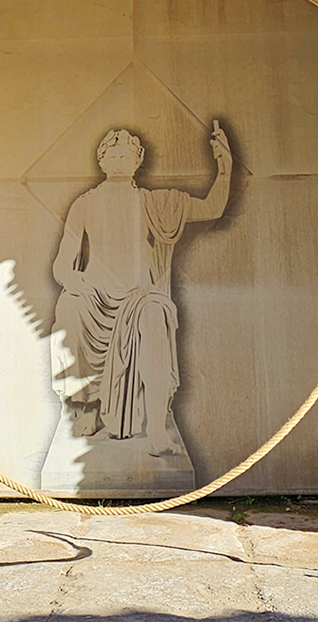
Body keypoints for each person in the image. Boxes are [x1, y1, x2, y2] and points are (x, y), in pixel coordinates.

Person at [49, 122, 232, 454]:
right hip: (94, 298)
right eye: (113, 154)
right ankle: (90, 407)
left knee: (155, 316)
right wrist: (76, 282)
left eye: (126, 155)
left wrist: (224, 169)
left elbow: (212, 207)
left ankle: (157, 428)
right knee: (69, 308)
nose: (119, 160)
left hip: (140, 296)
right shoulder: (84, 204)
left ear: (138, 160)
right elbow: (63, 264)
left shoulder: (155, 203)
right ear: (101, 160)